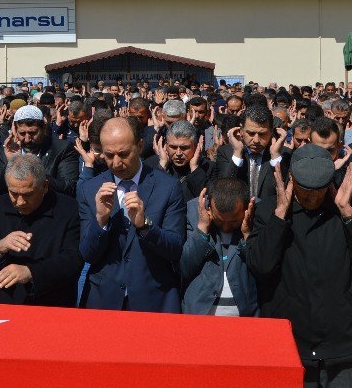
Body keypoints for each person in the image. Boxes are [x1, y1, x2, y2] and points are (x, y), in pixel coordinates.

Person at [244, 145, 352, 388]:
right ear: (292, 179)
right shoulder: (271, 209)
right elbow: (261, 266)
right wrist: (280, 217)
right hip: (291, 344)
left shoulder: (348, 208)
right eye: (305, 190)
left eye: (318, 191)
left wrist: (348, 215)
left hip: (340, 342)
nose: (311, 197)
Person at [78, 117, 185, 312]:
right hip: (104, 300)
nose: (117, 162)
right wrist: (101, 221)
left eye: (124, 154)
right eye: (109, 155)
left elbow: (175, 249)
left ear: (140, 145)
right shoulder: (90, 189)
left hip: (154, 299)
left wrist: (145, 226)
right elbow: (87, 254)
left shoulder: (167, 187)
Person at [0, 154, 83, 307]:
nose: (20, 202)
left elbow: (73, 261)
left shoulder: (68, 208)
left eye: (27, 194)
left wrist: (30, 272)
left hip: (52, 303)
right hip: (5, 303)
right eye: (13, 193)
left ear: (44, 186)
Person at [179, 178, 258, 317]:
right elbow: (185, 268)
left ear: (247, 208)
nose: (226, 227)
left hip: (244, 317)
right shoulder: (192, 212)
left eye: (233, 221)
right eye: (220, 221)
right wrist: (202, 229)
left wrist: (247, 236)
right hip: (199, 315)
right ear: (209, 206)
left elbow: (262, 267)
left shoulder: (258, 214)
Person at [0, 105, 79, 198]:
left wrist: (33, 169)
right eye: (22, 133)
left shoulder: (62, 149)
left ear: (43, 128)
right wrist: (12, 162)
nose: (27, 139)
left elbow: (68, 187)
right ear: (14, 130)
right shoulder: (4, 150)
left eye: (33, 133)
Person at [216, 105, 290, 207]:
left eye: (262, 134)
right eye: (251, 133)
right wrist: (237, 154)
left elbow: (284, 189)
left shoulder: (284, 155)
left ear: (272, 132)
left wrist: (275, 157)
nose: (256, 140)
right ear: (241, 130)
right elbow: (222, 190)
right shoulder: (226, 152)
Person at [148, 120, 216, 201]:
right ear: (165, 146)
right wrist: (162, 166)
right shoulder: (151, 166)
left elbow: (209, 199)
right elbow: (149, 196)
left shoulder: (208, 167)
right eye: (173, 147)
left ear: (196, 146)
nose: (178, 153)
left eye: (184, 148)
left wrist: (195, 169)